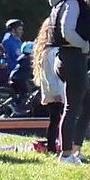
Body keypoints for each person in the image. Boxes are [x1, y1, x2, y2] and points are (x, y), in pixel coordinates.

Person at [49, 0, 90, 165]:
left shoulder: (61, 3)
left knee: (89, 106)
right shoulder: (73, 3)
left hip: (65, 57)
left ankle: (75, 150)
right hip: (73, 57)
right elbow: (67, 31)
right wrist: (83, 44)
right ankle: (66, 153)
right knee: (72, 108)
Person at [31, 18, 65, 154]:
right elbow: (51, 75)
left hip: (52, 90)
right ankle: (57, 146)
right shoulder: (53, 52)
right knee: (58, 119)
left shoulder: (45, 51)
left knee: (55, 119)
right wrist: (56, 92)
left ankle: (53, 145)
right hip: (57, 90)